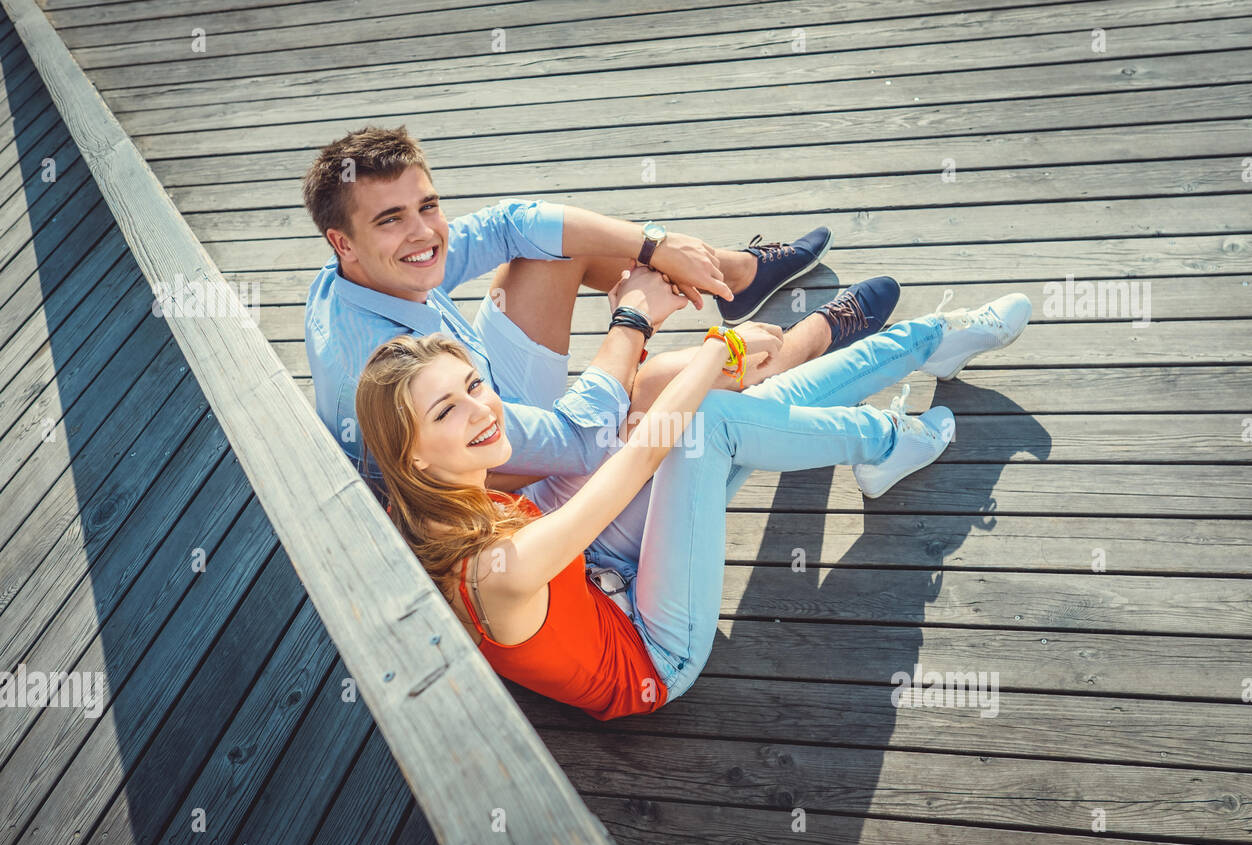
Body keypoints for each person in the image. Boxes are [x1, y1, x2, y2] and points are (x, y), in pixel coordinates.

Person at [354, 261, 1032, 721]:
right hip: (649, 648)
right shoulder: (494, 569)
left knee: (730, 415)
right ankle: (895, 420)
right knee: (705, 418)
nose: (480, 410)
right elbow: (638, 460)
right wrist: (716, 349)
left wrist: (693, 360)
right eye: (445, 412)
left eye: (474, 386)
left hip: (588, 574)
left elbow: (603, 428)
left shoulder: (423, 497)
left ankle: (926, 352)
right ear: (409, 453)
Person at [302, 126, 902, 559]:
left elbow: (511, 222)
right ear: (343, 241)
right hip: (499, 480)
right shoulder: (381, 370)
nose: (424, 233)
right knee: (674, 381)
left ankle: (731, 274)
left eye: (427, 206)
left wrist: (654, 246)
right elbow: (577, 441)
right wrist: (633, 319)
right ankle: (811, 339)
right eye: (390, 219)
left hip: (473, 394)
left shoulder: (357, 274)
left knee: (552, 248)